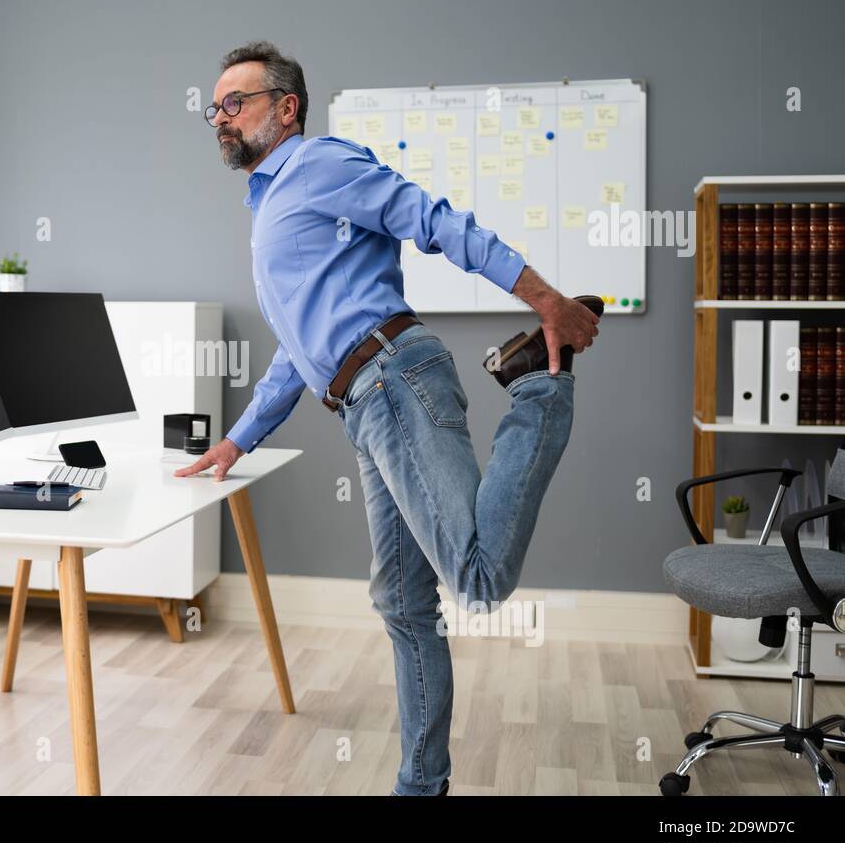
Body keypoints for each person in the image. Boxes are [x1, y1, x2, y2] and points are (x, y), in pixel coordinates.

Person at [175, 41, 601, 796]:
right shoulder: (272, 202)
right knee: (403, 603)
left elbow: (429, 218)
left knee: (476, 579)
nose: (220, 117)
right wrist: (237, 439)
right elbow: (298, 350)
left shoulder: (318, 165)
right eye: (214, 106)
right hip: (365, 396)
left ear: (286, 107)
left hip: (394, 380)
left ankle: (540, 388)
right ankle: (421, 784)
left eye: (234, 101)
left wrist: (542, 298)